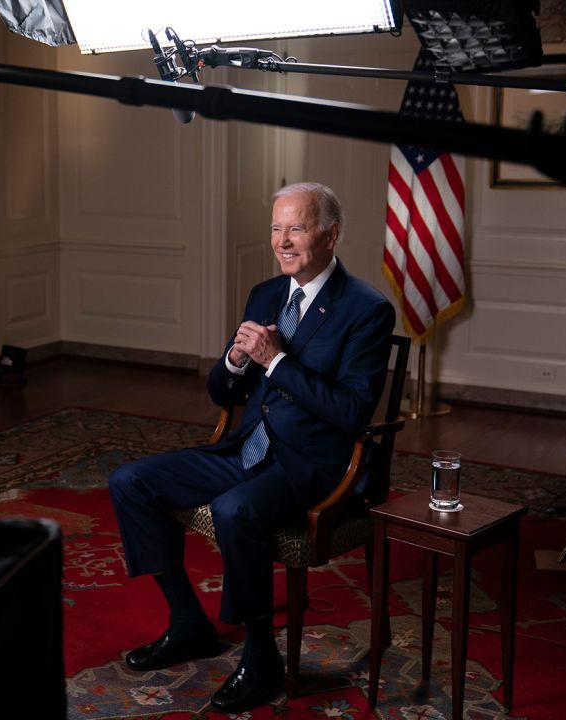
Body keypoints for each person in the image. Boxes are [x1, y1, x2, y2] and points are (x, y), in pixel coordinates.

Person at [109, 182, 395, 713]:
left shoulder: (366, 308)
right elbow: (223, 393)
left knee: (234, 510)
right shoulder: (266, 294)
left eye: (296, 229)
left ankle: (261, 657)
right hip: (249, 446)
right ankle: (189, 623)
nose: (282, 242)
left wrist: (276, 362)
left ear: (330, 235)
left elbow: (353, 412)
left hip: (313, 463)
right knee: (130, 481)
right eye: (275, 228)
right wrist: (237, 361)